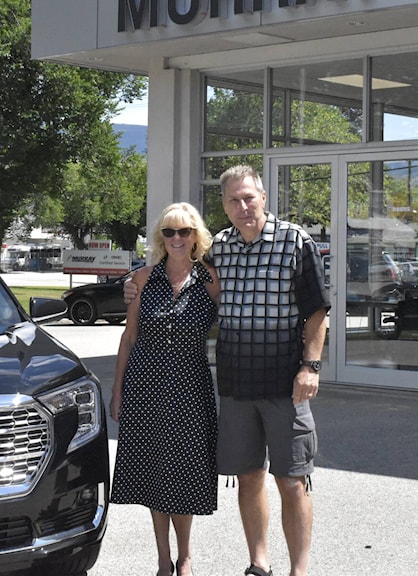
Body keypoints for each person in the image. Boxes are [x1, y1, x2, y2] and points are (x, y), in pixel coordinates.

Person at [125, 166, 330, 576]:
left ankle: (299, 571)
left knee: (292, 481)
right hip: (235, 388)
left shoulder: (295, 241)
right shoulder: (219, 248)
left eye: (249, 197)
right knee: (249, 477)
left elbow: (317, 311)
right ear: (224, 206)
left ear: (263, 197)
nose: (243, 206)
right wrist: (131, 285)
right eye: (234, 200)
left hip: (285, 384)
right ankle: (259, 562)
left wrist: (311, 366)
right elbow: (174, 269)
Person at [110, 202, 221, 576]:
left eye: (184, 232)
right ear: (161, 237)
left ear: (195, 237)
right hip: (145, 388)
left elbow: (231, 327)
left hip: (190, 389)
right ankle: (162, 557)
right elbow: (129, 337)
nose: (177, 238)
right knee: (152, 473)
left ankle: (185, 555)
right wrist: (117, 390)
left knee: (184, 471)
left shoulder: (210, 279)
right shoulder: (141, 279)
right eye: (169, 232)